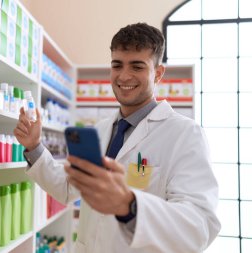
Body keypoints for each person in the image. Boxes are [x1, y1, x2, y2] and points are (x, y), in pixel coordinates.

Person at [14, 22, 220, 253]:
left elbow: (199, 227)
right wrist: (34, 146)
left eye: (137, 66)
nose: (124, 75)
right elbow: (69, 189)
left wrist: (129, 205)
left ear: (158, 73)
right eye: (117, 65)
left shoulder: (184, 134)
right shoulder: (101, 130)